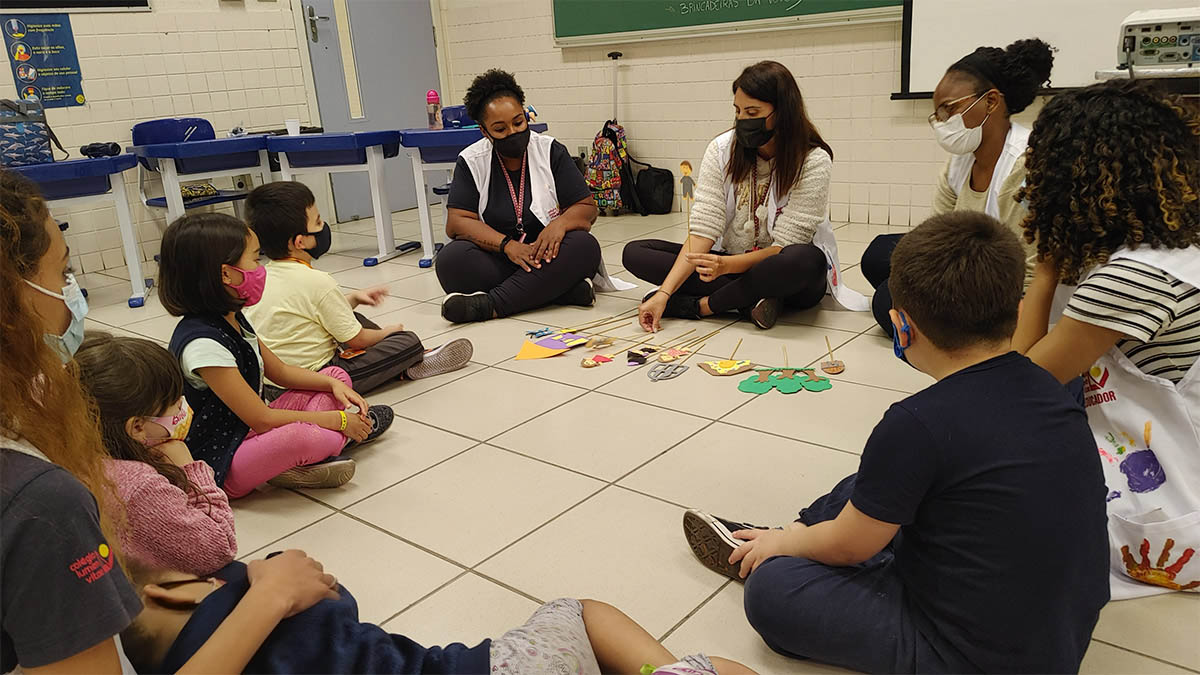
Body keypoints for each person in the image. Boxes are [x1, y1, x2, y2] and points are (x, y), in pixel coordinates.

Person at [682, 212, 1110, 673]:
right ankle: (795, 535)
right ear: (1017, 308)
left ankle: (778, 542)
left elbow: (851, 547)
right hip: (1060, 635)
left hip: (968, 655)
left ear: (901, 329)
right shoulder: (1056, 385)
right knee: (880, 481)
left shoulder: (916, 422)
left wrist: (792, 547)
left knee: (775, 588)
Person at [1012, 80, 1200, 598]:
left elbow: (1017, 386)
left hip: (1168, 521)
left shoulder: (1130, 279)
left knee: (953, 463)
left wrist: (1047, 263)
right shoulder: (1175, 246)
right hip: (1169, 464)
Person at [120, 556, 756, 675]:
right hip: (497, 673)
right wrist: (267, 588)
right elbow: (338, 599)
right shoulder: (258, 603)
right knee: (576, 611)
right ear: (170, 593)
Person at [0, 170, 142, 673]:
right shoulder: (40, 503)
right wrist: (269, 601)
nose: (71, 296)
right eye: (62, 274)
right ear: (10, 298)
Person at [158, 212, 395, 497]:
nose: (261, 270)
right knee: (303, 437)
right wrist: (340, 420)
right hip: (223, 460)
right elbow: (263, 418)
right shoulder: (203, 345)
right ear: (226, 273)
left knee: (336, 374)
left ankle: (303, 458)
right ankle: (333, 442)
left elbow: (279, 372)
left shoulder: (231, 316)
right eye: (256, 260)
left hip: (250, 431)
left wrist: (332, 385)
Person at [624, 61, 865, 333]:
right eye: (738, 111)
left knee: (804, 261)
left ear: (783, 111)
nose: (742, 120)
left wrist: (725, 266)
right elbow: (704, 227)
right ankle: (755, 300)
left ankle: (702, 306)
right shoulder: (722, 150)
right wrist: (664, 294)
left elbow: (783, 246)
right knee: (636, 253)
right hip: (731, 262)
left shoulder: (813, 160)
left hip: (779, 268)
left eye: (752, 112)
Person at [860, 38, 1053, 337]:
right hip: (967, 260)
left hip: (1002, 281)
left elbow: (1027, 275)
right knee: (879, 254)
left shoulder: (1024, 165)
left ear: (990, 101)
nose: (941, 122)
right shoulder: (960, 162)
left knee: (887, 298)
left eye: (948, 109)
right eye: (937, 113)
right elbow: (933, 238)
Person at [242, 181, 472, 394]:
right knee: (407, 341)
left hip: (271, 381)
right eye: (318, 222)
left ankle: (398, 363)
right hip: (318, 378)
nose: (323, 228)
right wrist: (388, 333)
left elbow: (307, 311)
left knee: (352, 314)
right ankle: (411, 360)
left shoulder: (263, 277)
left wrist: (353, 298)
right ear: (300, 242)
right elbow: (357, 340)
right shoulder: (318, 281)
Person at [436, 68, 607, 323]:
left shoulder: (550, 150)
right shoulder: (472, 160)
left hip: (548, 255)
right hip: (499, 257)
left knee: (584, 246)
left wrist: (559, 225)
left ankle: (491, 305)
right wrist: (508, 246)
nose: (513, 133)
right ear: (485, 132)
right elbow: (457, 222)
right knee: (451, 261)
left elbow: (586, 208)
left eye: (518, 122)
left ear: (526, 116)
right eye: (500, 129)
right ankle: (556, 292)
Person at [76, 333, 238, 577]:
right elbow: (220, 547)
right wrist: (191, 470)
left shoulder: (77, 456)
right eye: (174, 402)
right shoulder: (139, 486)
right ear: (137, 427)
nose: (183, 407)